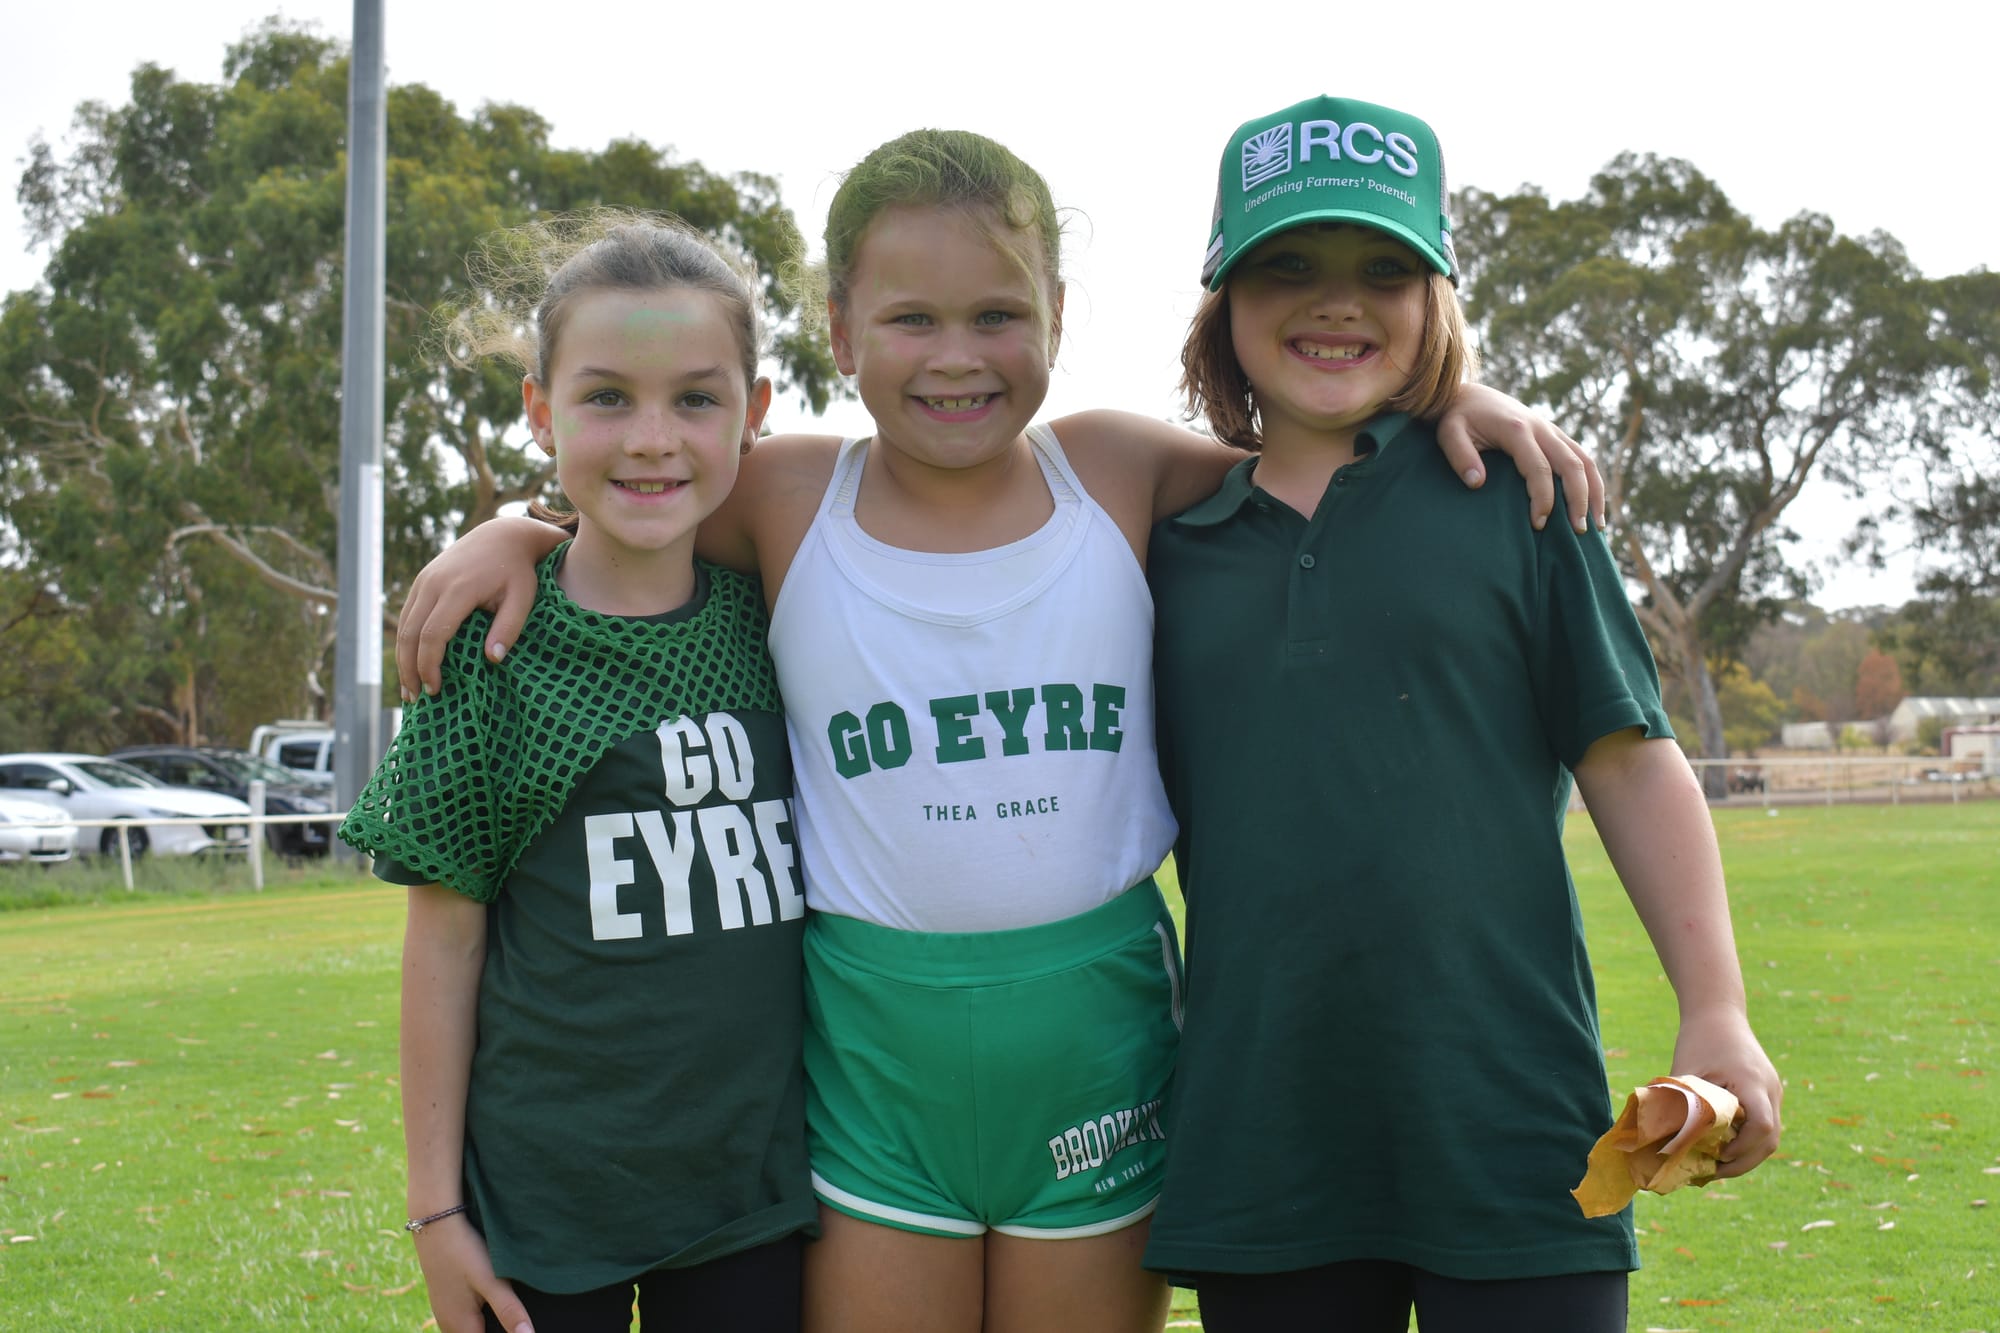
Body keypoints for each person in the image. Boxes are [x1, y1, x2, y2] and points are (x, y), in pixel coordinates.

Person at [393, 130, 1600, 1333]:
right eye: (910, 319)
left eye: (996, 316)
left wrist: (1450, 391)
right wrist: (516, 527)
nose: (955, 358)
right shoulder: (787, 494)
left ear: (1058, 315)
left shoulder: (1117, 470)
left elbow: (1310, 445)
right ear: (837, 329)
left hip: (1094, 1042)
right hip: (872, 1051)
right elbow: (645, 488)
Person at [1140, 95, 1785, 1332]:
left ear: (1435, 298)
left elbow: (1630, 761)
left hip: (1508, 1112)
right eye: (1286, 266)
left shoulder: (1517, 499)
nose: (1336, 300)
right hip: (1260, 1125)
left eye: (1384, 268)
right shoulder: (1158, 542)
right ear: (1220, 298)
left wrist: (1716, 1005)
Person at [338, 215, 812, 1333]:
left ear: (755, 411)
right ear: (540, 410)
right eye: (606, 397)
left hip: (756, 1203)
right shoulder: (491, 647)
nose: (653, 436)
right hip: (542, 1216)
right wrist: (434, 1210)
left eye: (696, 398)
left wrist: (521, 523)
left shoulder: (788, 611)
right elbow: (444, 939)